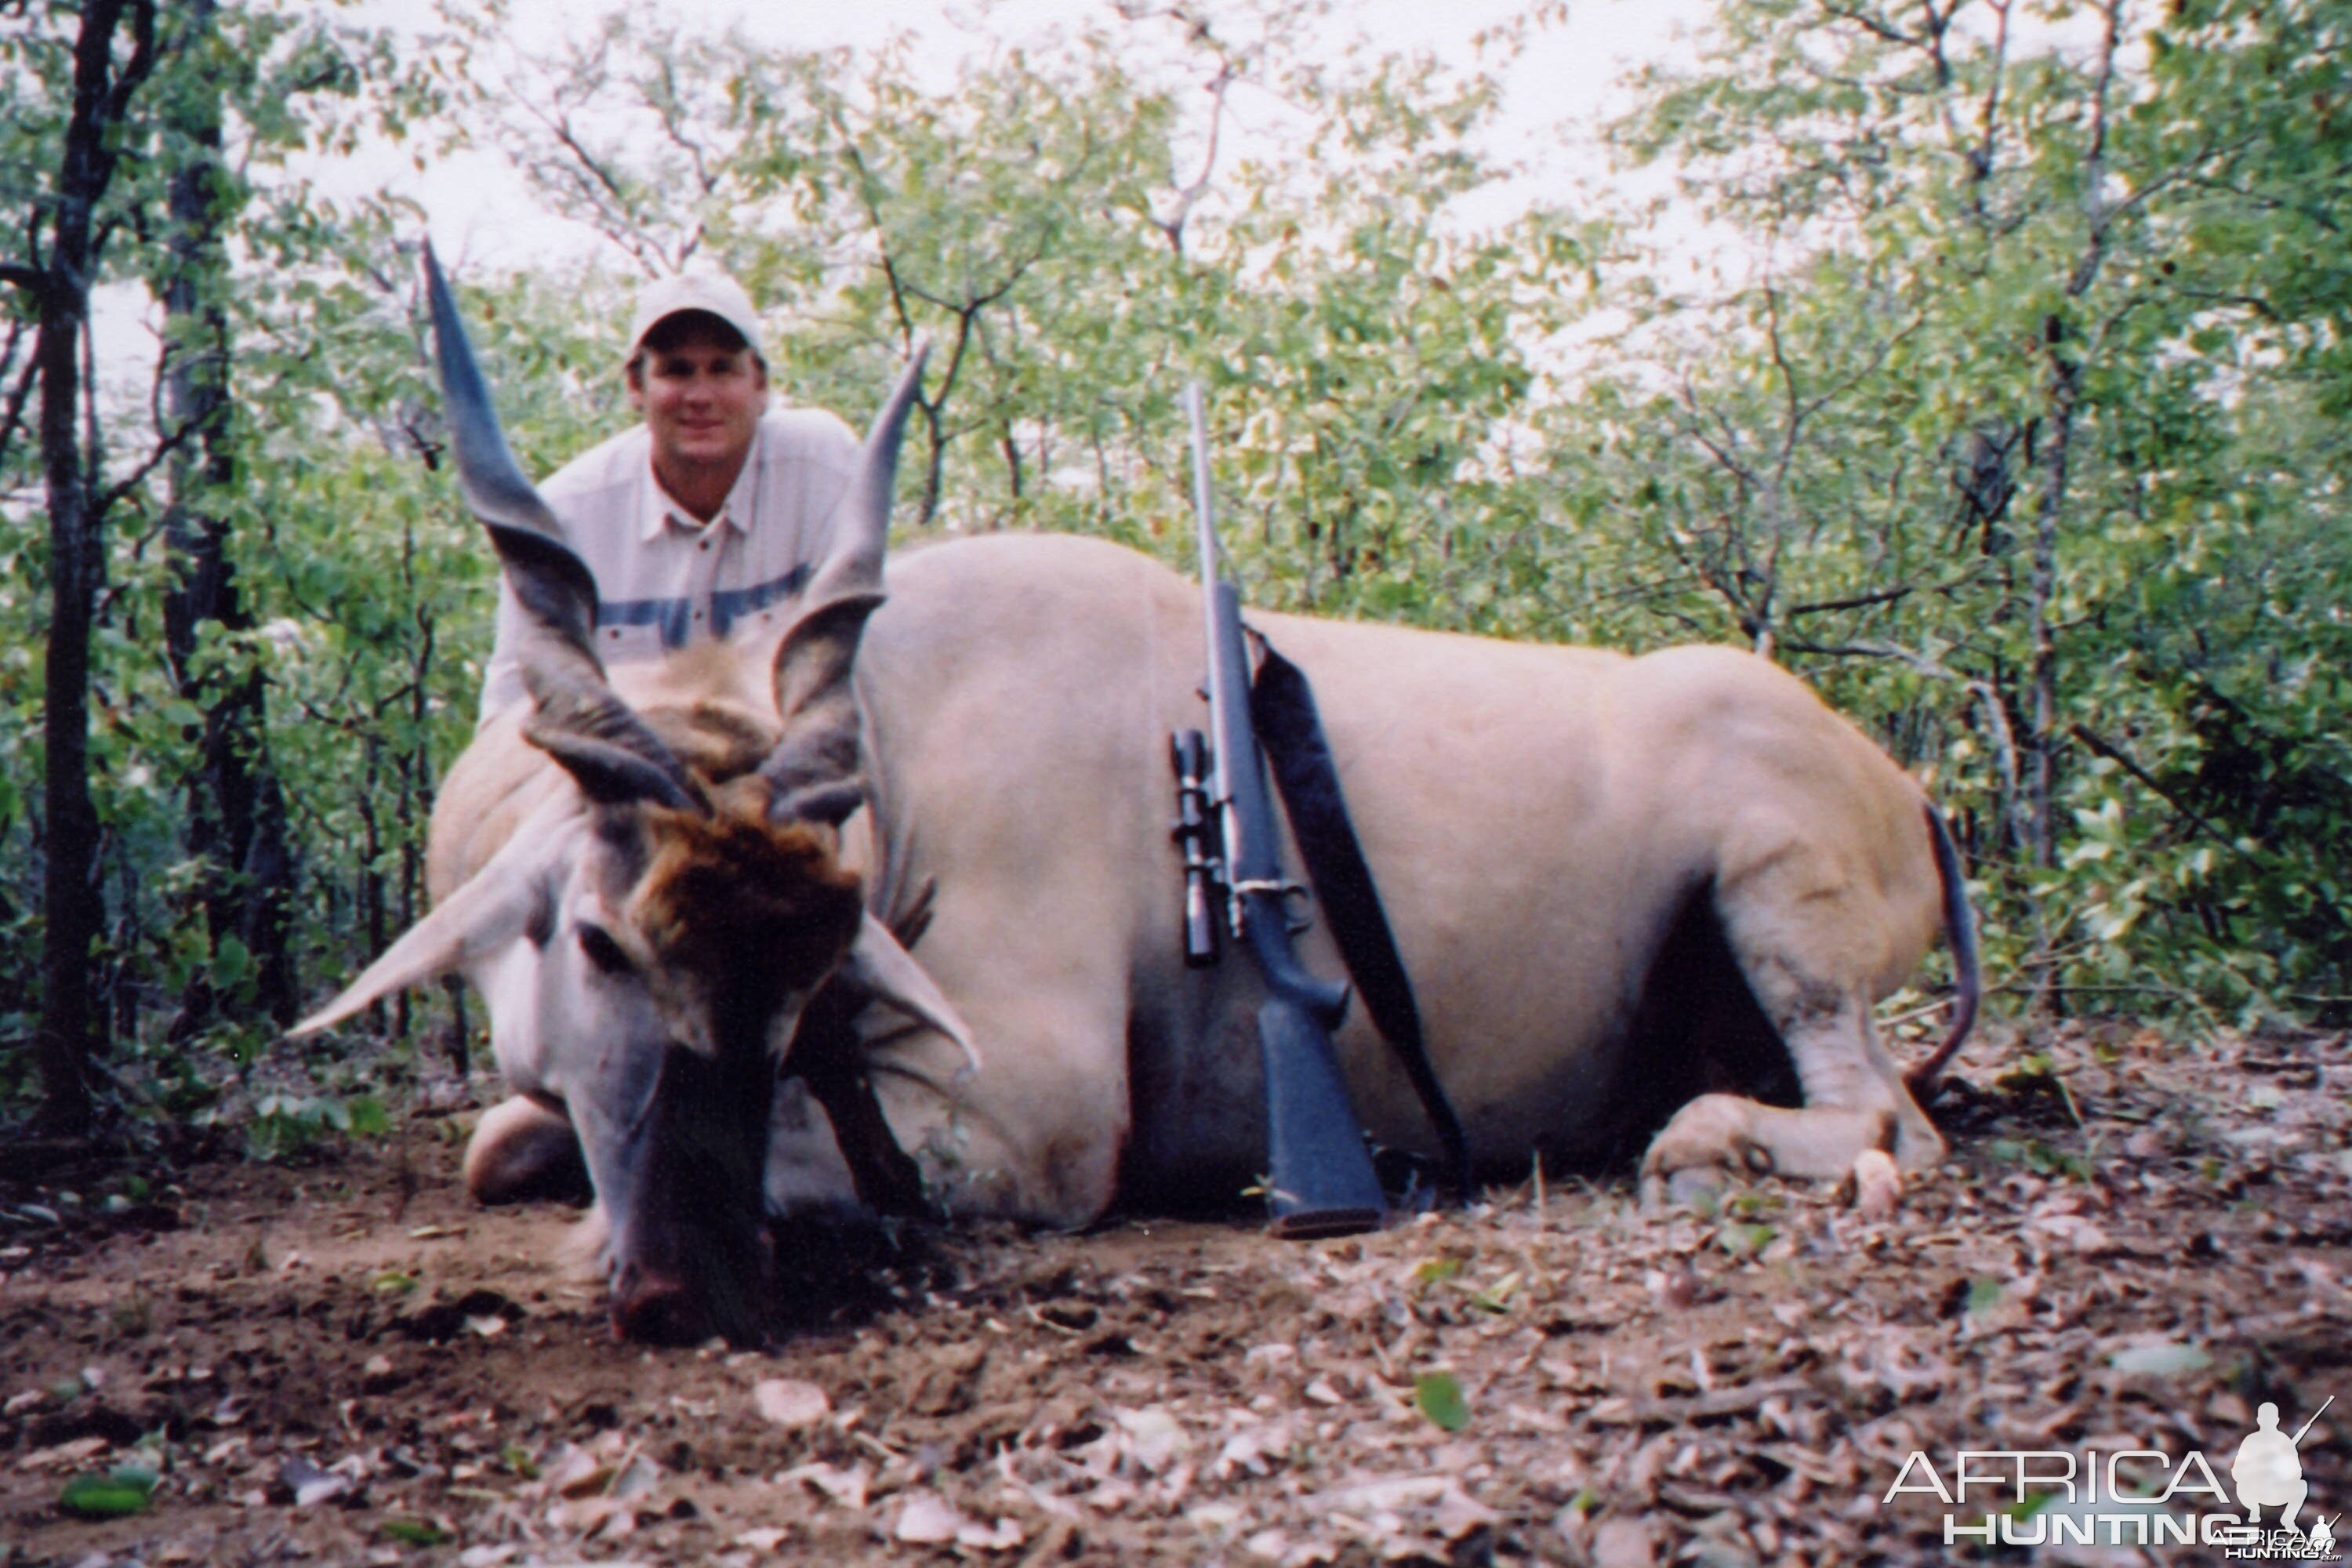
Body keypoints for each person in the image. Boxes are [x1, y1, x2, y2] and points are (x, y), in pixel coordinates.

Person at [477, 269, 864, 720]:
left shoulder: (824, 465)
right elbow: (510, 710)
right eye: (677, 371)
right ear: (635, 386)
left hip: (788, 762)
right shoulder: (563, 517)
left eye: (722, 368)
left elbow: (855, 669)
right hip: (629, 780)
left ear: (761, 385)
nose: (700, 396)